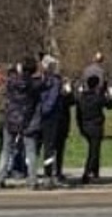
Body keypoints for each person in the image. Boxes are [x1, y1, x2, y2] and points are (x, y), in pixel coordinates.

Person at [0, 58, 41, 190]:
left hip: (11, 118)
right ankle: (32, 180)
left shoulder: (11, 82)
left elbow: (4, 92)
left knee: (6, 150)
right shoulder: (34, 85)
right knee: (31, 151)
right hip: (27, 120)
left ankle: (0, 179)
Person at [34, 55, 70, 189]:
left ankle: (45, 174)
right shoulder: (54, 81)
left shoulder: (44, 79)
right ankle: (47, 176)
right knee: (47, 147)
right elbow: (52, 99)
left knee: (43, 147)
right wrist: (44, 110)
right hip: (49, 117)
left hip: (43, 116)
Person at [74, 71, 112, 184]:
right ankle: (87, 173)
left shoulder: (82, 98)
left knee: (93, 150)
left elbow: (78, 114)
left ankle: (94, 171)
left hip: (85, 126)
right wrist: (107, 92)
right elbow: (110, 105)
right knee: (94, 152)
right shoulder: (98, 98)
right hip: (96, 127)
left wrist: (80, 127)